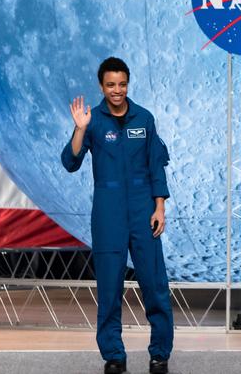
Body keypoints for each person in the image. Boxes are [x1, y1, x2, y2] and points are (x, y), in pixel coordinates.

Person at [61, 57, 173, 374]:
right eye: (111, 85)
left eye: (122, 84)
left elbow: (156, 166)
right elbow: (70, 162)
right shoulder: (92, 120)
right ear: (102, 86)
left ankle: (160, 354)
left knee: (154, 284)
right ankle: (114, 355)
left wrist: (159, 206)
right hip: (108, 211)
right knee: (110, 288)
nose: (117, 91)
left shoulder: (145, 119)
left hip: (143, 209)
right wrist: (80, 129)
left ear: (127, 84)